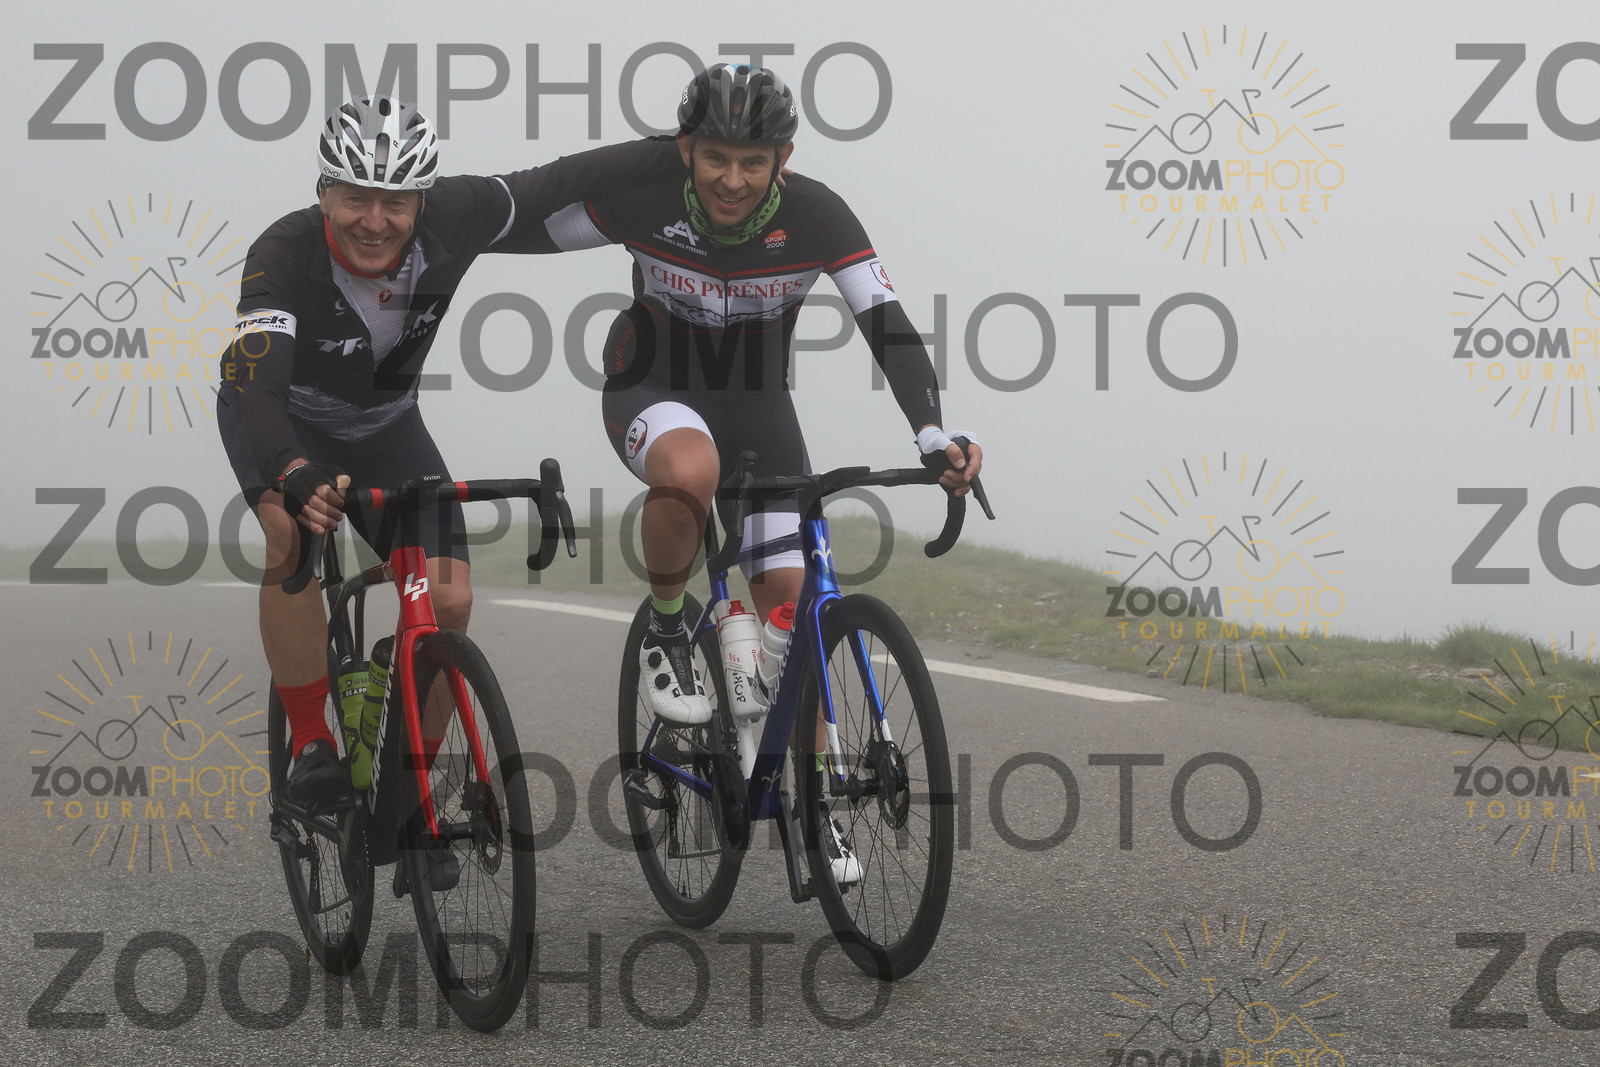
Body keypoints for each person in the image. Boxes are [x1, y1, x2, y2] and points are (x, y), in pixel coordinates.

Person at [535, 64, 983, 881]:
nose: (733, 180)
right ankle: (668, 626)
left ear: (783, 159)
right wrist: (422, 227)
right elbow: (521, 224)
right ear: (686, 151)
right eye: (716, 158)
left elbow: (886, 323)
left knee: (792, 599)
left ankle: (815, 802)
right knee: (691, 469)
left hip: (759, 409)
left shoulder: (818, 214)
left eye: (753, 161)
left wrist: (931, 431)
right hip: (652, 388)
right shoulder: (647, 200)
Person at [218, 97, 682, 863]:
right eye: (356, 198)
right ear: (324, 193)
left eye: (396, 201)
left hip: (385, 425)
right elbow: (258, 388)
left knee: (451, 599)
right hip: (284, 422)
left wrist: (680, 148)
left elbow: (564, 178)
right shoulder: (283, 251)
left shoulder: (459, 214)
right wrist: (292, 470)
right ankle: (311, 744)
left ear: (423, 201)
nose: (375, 220)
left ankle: (404, 797)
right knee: (288, 533)